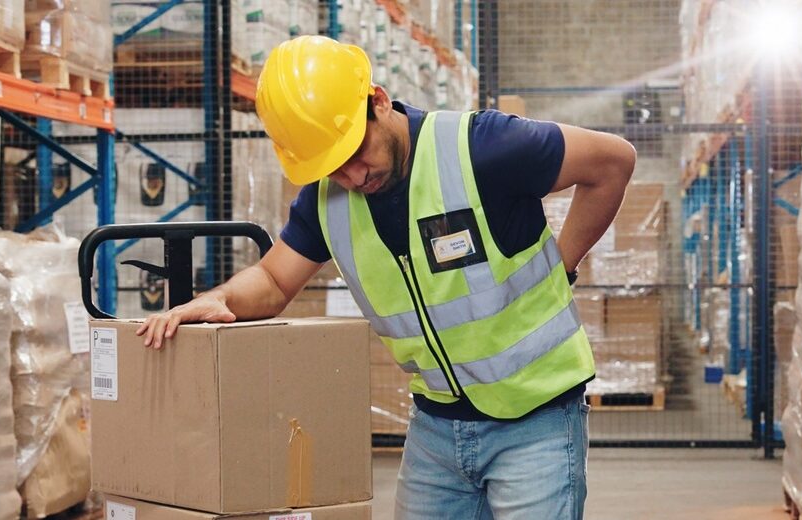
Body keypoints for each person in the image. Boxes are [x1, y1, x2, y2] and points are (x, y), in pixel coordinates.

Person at [135, 35, 637, 519]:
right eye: (333, 167)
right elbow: (273, 280)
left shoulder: (482, 148)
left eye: (355, 152)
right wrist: (219, 298)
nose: (353, 177)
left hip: (537, 420)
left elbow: (613, 162)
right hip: (437, 430)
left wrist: (561, 264)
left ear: (376, 102)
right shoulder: (325, 201)